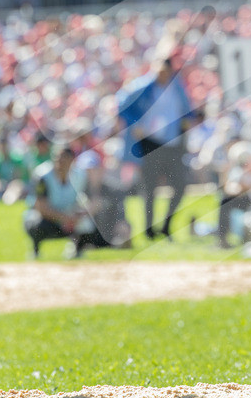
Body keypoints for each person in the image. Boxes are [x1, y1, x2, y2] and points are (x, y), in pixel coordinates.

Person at [117, 57, 198, 240]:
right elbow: (122, 104)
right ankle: (149, 230)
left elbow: (188, 111)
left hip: (173, 144)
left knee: (180, 186)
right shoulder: (144, 86)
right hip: (150, 144)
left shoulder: (177, 88)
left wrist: (187, 121)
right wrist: (135, 124)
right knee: (150, 188)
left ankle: (166, 226)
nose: (161, 75)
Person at [23, 146, 101, 259]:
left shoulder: (80, 175)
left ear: (72, 160)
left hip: (70, 215)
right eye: (57, 157)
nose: (60, 161)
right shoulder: (43, 176)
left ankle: (77, 249)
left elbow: (94, 200)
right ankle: (35, 250)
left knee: (89, 224)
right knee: (36, 224)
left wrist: (80, 215)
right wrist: (64, 218)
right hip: (48, 216)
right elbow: (40, 207)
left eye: (64, 157)